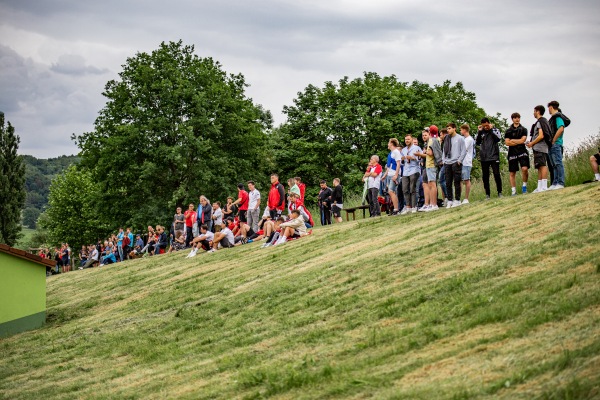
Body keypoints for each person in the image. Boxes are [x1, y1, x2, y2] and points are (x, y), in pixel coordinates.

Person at [476, 118, 503, 199]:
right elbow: (477, 142)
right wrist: (480, 131)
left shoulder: (495, 129)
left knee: (496, 174)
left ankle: (499, 192)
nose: (486, 127)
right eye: (484, 126)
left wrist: (491, 130)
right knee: (485, 176)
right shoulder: (481, 132)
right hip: (484, 157)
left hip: (494, 156)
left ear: (489, 124)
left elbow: (498, 139)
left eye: (487, 125)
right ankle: (487, 194)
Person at [527, 105, 552, 192]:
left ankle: (544, 186)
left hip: (540, 147)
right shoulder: (542, 121)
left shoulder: (540, 122)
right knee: (539, 166)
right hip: (538, 148)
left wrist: (532, 143)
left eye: (534, 111)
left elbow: (541, 136)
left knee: (543, 166)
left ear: (538, 111)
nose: (533, 113)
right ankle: (539, 187)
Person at [505, 112, 530, 195]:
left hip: (522, 151)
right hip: (512, 152)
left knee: (524, 169)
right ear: (512, 119)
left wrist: (513, 140)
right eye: (515, 118)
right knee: (512, 172)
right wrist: (518, 141)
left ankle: (524, 187)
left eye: (518, 117)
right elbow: (507, 143)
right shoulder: (508, 131)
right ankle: (513, 191)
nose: (517, 119)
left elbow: (523, 140)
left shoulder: (523, 129)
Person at [442, 123, 467, 208]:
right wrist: (444, 160)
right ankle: (450, 200)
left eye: (449, 128)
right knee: (448, 183)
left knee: (457, 182)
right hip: (447, 162)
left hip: (456, 162)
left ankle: (457, 200)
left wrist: (459, 160)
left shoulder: (460, 138)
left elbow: (464, 150)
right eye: (447, 128)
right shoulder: (446, 138)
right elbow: (444, 150)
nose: (448, 130)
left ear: (454, 128)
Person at [418, 128, 441, 211]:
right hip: (428, 165)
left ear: (429, 132)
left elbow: (431, 153)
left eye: (426, 134)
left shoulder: (432, 140)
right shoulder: (432, 140)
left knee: (432, 184)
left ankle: (434, 204)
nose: (424, 136)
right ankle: (431, 204)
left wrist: (422, 153)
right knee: (430, 184)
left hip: (431, 165)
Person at [400, 134, 421, 214]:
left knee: (412, 188)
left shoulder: (416, 148)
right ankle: (408, 206)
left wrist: (412, 158)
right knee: (405, 189)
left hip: (414, 169)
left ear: (412, 140)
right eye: (405, 139)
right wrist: (402, 159)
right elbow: (402, 162)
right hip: (405, 171)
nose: (407, 141)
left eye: (408, 139)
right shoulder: (403, 150)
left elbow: (420, 159)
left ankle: (414, 206)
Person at [547, 100, 566, 190]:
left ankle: (561, 182)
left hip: (556, 144)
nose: (548, 110)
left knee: (558, 163)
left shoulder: (558, 117)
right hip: (551, 145)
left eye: (549, 108)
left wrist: (554, 140)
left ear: (551, 107)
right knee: (553, 165)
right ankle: (555, 182)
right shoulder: (553, 118)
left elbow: (561, 128)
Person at [382, 138, 402, 215]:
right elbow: (389, 166)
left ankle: (396, 209)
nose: (388, 144)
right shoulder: (390, 153)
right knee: (391, 192)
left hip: (394, 174)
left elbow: (398, 164)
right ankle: (395, 208)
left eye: (388, 143)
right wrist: (385, 175)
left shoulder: (396, 152)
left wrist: (396, 175)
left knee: (391, 191)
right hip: (390, 174)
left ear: (392, 143)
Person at [460, 123, 475, 204]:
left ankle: (466, 198)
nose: (460, 131)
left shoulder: (469, 139)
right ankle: (459, 198)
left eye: (461, 130)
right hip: (462, 162)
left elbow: (463, 149)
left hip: (466, 162)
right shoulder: (464, 139)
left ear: (465, 130)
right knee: (460, 180)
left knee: (466, 179)